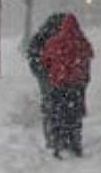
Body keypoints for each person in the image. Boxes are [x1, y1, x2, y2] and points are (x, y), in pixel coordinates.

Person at [28, 13, 94, 158]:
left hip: (58, 84)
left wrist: (48, 74)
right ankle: (75, 143)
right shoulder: (81, 42)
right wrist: (82, 78)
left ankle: (57, 142)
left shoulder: (53, 42)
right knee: (74, 115)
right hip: (76, 86)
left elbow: (44, 61)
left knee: (57, 113)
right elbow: (89, 56)